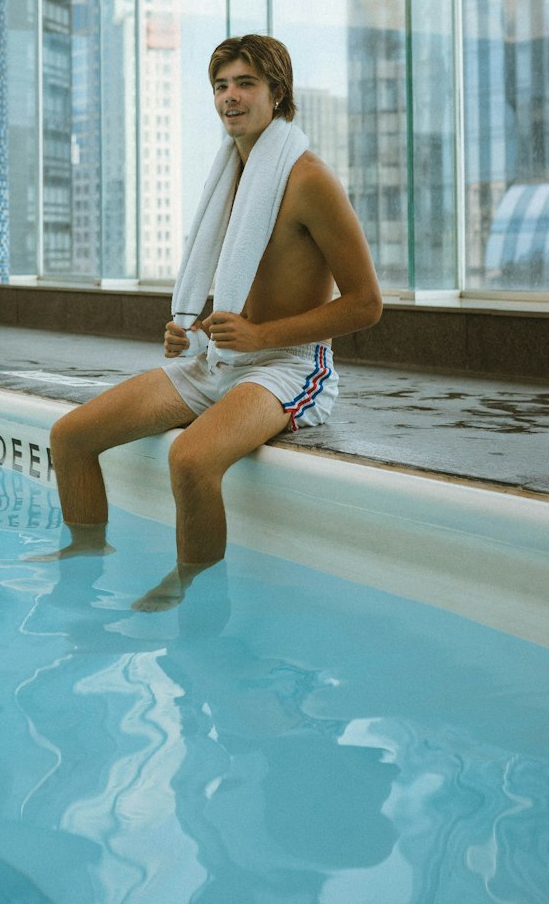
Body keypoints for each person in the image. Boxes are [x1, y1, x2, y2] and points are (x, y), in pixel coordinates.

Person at [35, 34, 383, 610]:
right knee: (70, 438)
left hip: (287, 366)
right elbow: (240, 286)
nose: (230, 97)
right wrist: (190, 326)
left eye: (246, 83)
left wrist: (262, 337)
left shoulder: (308, 179)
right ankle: (84, 564)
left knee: (191, 460)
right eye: (221, 85)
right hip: (220, 359)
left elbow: (368, 303)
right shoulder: (232, 177)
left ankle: (193, 592)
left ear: (278, 93)